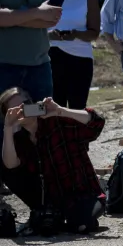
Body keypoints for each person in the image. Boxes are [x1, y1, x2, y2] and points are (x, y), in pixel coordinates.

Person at [1, 87, 106, 235]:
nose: (23, 110)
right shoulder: (18, 140)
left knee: (81, 225)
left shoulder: (57, 121)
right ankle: (45, 215)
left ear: (33, 103)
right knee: (5, 165)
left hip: (82, 194)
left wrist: (61, 110)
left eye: (25, 104)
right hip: (51, 201)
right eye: (15, 109)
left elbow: (97, 122)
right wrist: (8, 127)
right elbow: (10, 166)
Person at [47, 0, 99, 110]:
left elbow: (94, 33)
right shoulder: (51, 0)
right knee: (55, 106)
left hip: (80, 60)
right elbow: (38, 31)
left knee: (77, 107)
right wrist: (51, 35)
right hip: (53, 58)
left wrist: (75, 34)